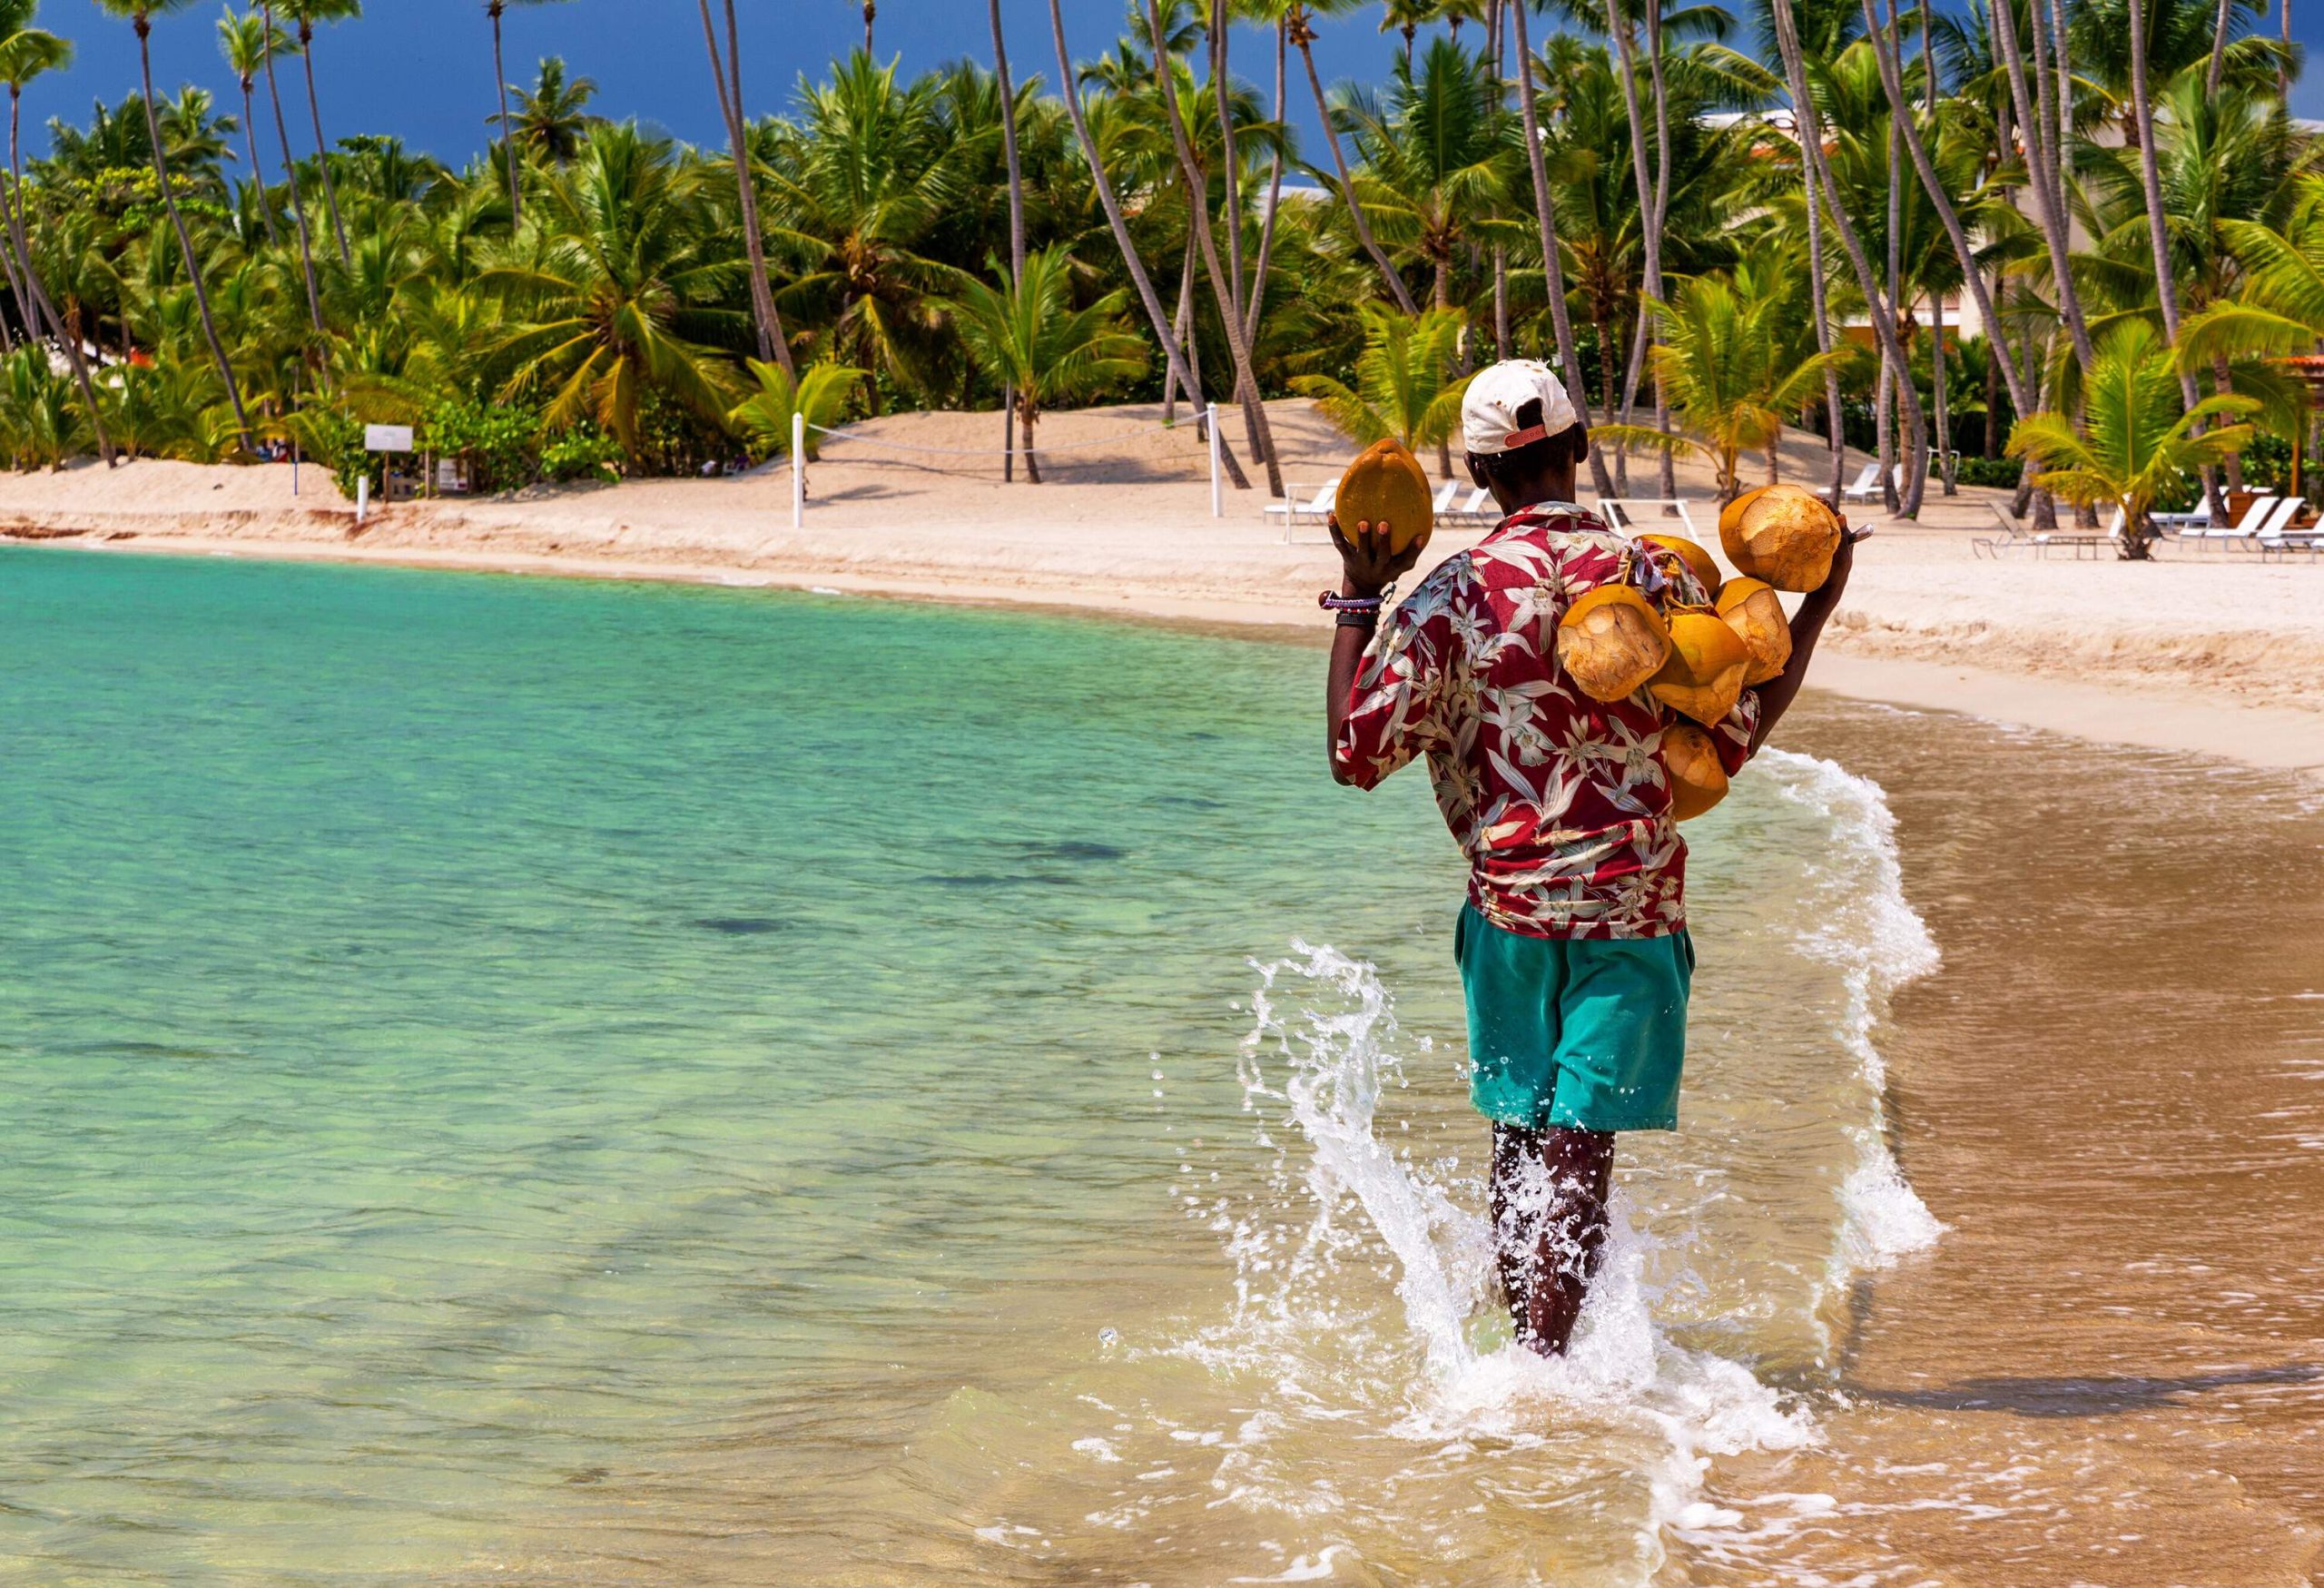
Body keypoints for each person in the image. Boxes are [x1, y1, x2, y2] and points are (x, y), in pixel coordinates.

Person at [1321, 360, 1861, 1356]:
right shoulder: (1654, 576)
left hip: (1506, 911)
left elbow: (1356, 754)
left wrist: (1360, 599)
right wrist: (1815, 609)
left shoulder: (1448, 598)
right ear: (1579, 448)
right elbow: (1729, 737)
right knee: (1578, 1149)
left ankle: (1515, 1363)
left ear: (1482, 475)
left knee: (1519, 1135)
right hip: (1633, 910)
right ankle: (1545, 1372)